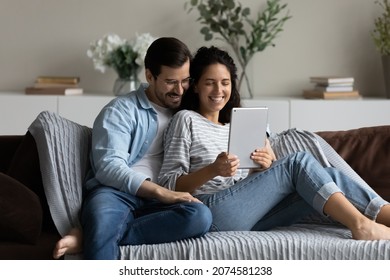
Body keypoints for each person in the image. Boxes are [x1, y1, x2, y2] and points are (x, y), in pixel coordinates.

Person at [158, 45, 390, 240]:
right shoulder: (185, 119)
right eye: (210, 82)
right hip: (211, 210)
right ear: (196, 85)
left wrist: (266, 167)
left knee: (330, 174)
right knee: (298, 162)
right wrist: (213, 170)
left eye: (225, 82)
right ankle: (360, 225)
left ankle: (384, 217)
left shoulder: (236, 125)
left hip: (245, 213)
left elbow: (245, 187)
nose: (219, 90)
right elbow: (168, 185)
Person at [53, 37, 212, 260]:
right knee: (104, 218)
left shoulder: (188, 111)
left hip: (159, 202)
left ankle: (90, 236)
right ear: (149, 76)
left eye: (185, 81)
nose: (179, 90)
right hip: (116, 193)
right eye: (170, 82)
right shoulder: (121, 110)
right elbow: (108, 167)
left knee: (200, 216)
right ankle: (99, 233)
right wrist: (161, 192)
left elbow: (223, 115)